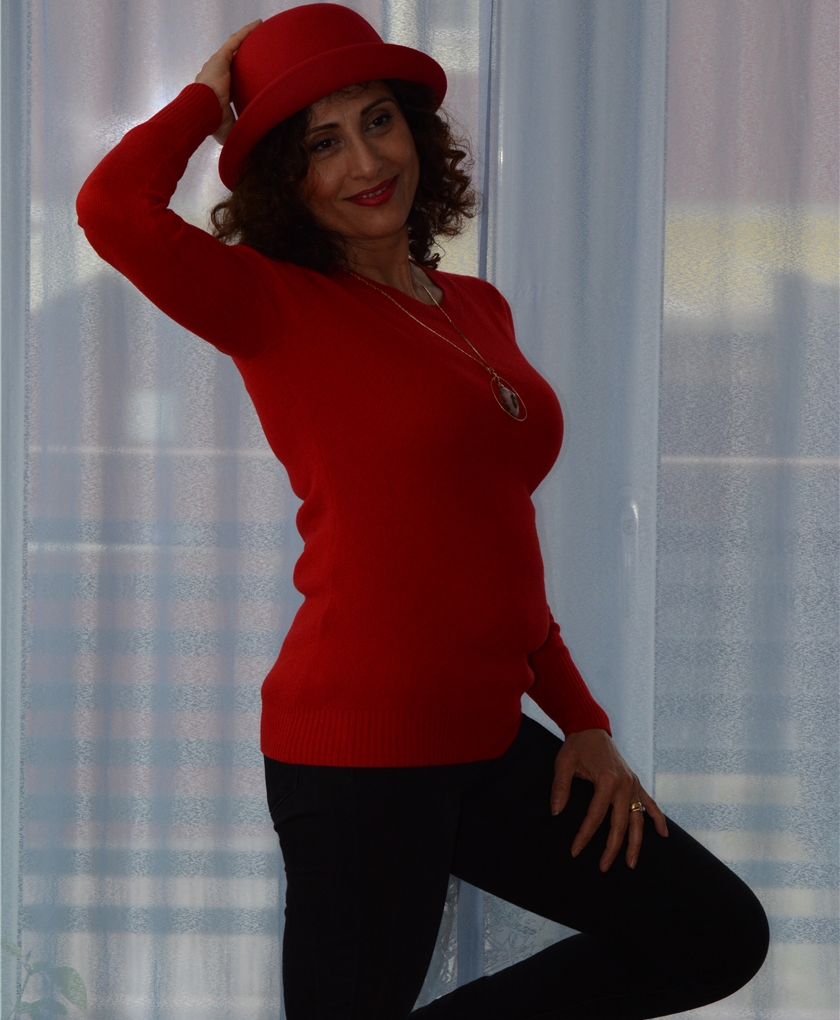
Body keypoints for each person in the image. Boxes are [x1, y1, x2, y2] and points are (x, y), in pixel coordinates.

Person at [76, 5, 769, 1018]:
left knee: (711, 935)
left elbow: (492, 544)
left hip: (485, 738)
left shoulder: (478, 308)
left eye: (378, 120)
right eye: (322, 142)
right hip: (358, 751)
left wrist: (582, 721)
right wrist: (204, 99)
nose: (366, 161)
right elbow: (110, 210)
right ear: (285, 177)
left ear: (415, 130)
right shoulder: (274, 305)